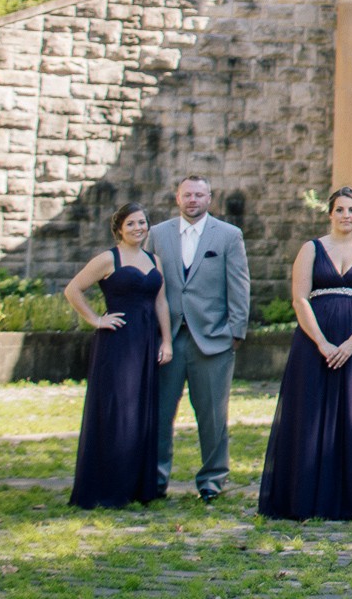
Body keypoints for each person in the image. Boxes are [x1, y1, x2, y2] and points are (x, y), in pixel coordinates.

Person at [258, 187, 352, 520]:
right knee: (310, 416)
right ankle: (305, 497)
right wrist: (322, 343)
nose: (346, 215)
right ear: (330, 213)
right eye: (340, 209)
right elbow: (300, 299)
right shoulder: (311, 249)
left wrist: (350, 344)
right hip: (313, 344)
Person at [147, 175, 249, 504]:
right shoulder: (157, 234)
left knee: (213, 415)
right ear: (178, 198)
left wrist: (236, 330)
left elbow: (239, 284)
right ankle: (155, 477)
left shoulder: (229, 235)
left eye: (199, 194)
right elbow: (146, 282)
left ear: (210, 198)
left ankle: (212, 479)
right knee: (161, 413)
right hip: (168, 339)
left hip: (214, 339)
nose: (193, 199)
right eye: (187, 194)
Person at [66, 202, 172, 509]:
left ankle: (136, 487)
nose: (138, 228)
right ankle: (107, 486)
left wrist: (166, 342)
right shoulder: (107, 259)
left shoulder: (154, 260)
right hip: (117, 344)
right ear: (119, 229)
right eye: (131, 224)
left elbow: (161, 303)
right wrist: (96, 320)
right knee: (116, 412)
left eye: (142, 222)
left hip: (147, 343)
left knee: (141, 412)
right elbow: (73, 290)